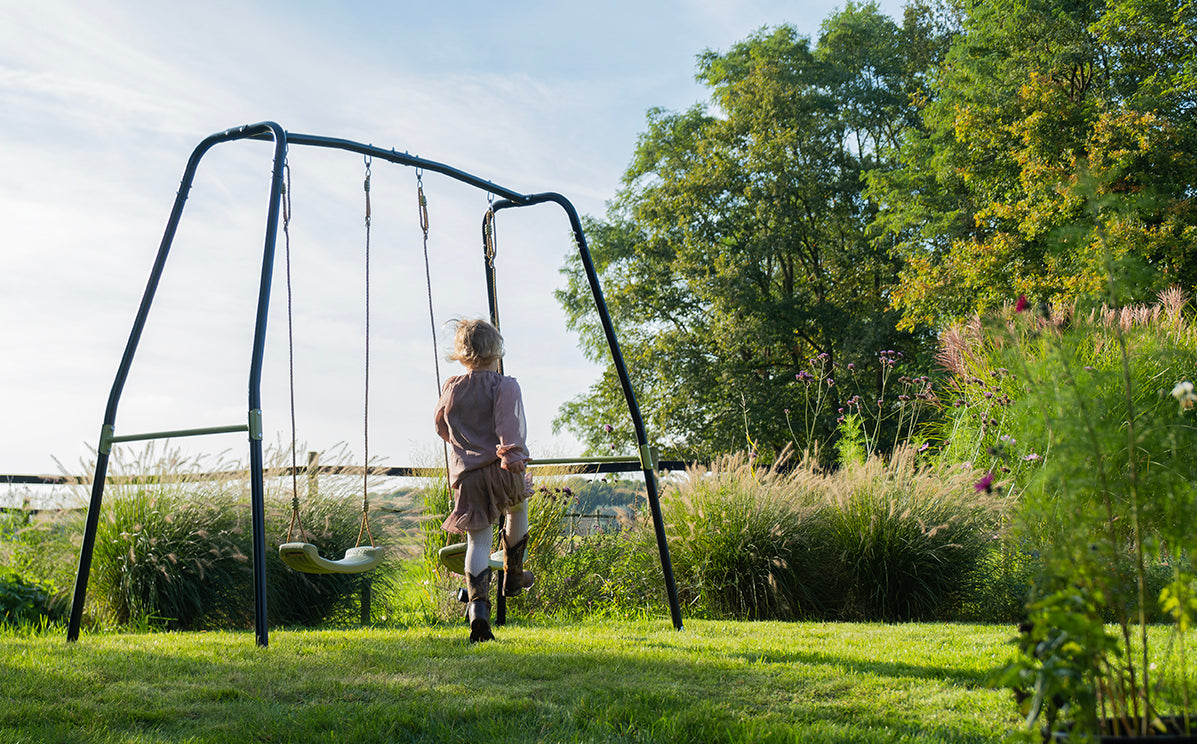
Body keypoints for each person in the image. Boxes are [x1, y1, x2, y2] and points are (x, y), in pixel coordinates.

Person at [434, 318, 535, 643]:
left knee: (478, 541)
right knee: (517, 512)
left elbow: (441, 426)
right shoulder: (504, 385)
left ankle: (478, 609)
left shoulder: (452, 386)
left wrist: (466, 443)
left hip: (467, 475)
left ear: (461, 355)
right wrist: (511, 454)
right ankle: (514, 576)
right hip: (501, 469)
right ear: (497, 351)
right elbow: (508, 424)